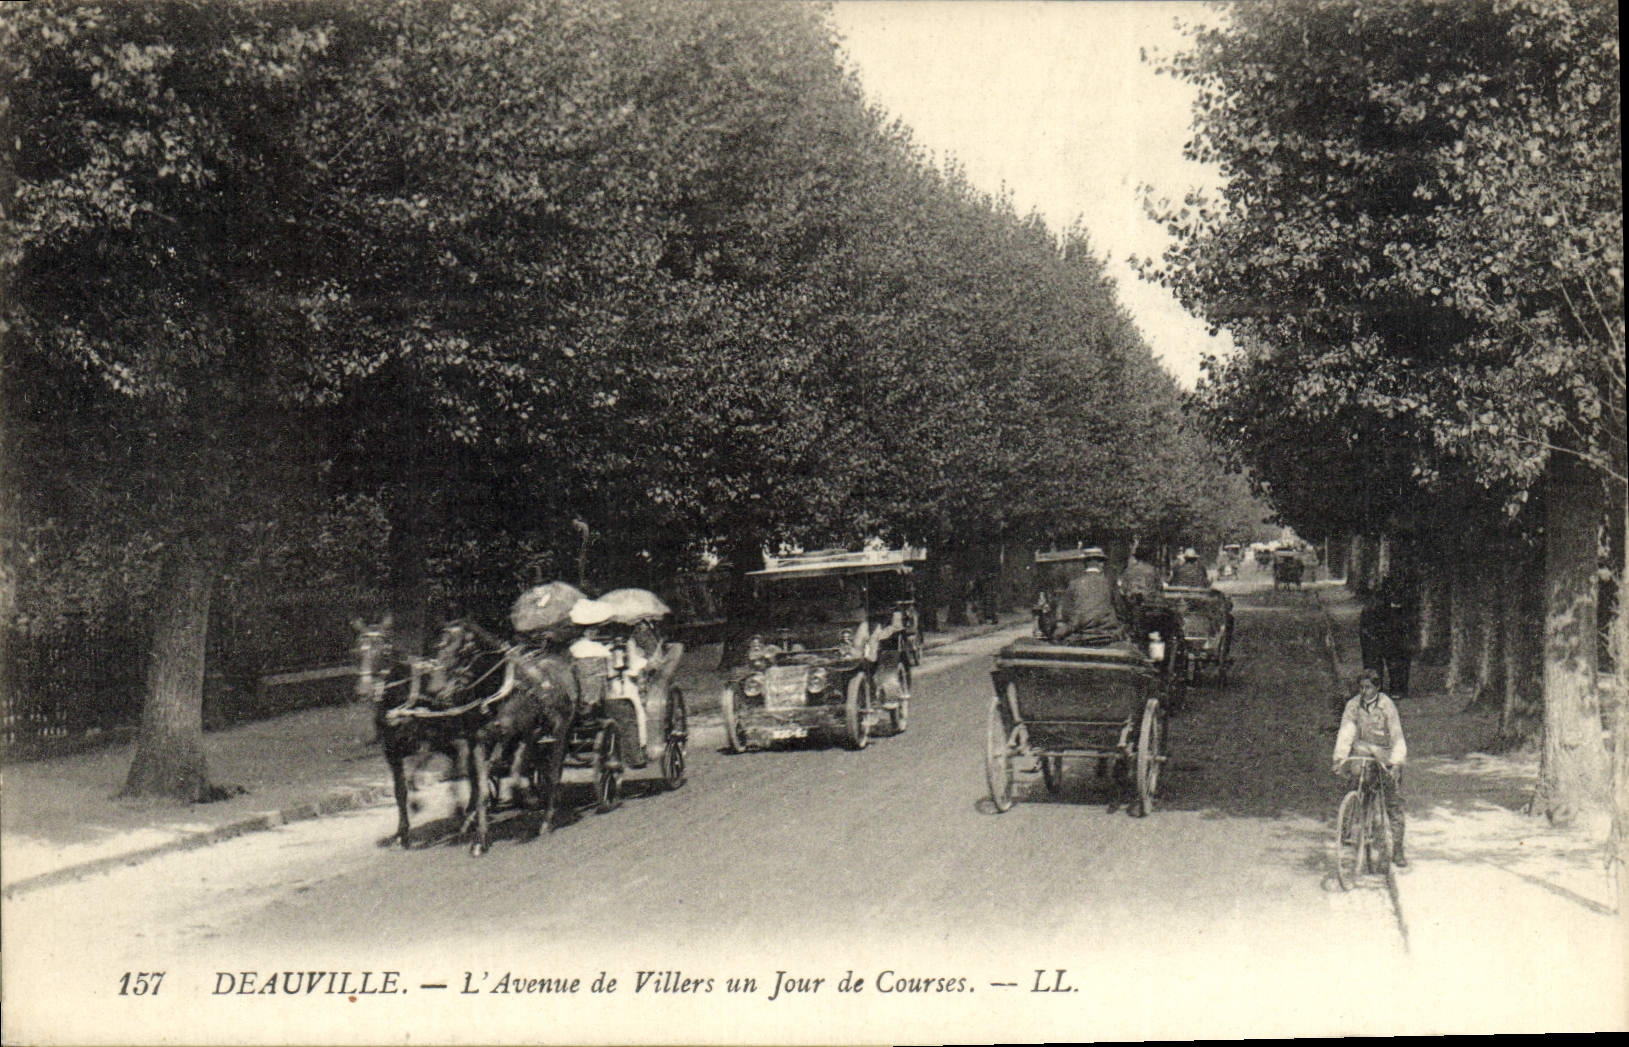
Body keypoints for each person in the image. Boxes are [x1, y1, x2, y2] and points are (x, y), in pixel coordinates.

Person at [1332, 669, 1409, 867]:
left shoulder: (1386, 706)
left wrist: (1397, 762)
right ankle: (1347, 828)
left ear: (1377, 688)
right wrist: (1340, 758)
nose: (1364, 692)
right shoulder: (1353, 706)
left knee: (1393, 801)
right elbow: (1346, 732)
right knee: (1354, 783)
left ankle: (1398, 850)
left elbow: (1397, 734)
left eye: (1368, 687)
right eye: (1361, 687)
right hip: (1363, 751)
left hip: (1384, 754)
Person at [1051, 548, 1127, 644]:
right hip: (1107, 632)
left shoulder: (1074, 584)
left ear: (1084, 564)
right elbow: (1120, 610)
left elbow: (1066, 613)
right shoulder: (1109, 583)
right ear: (1101, 564)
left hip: (1080, 632)